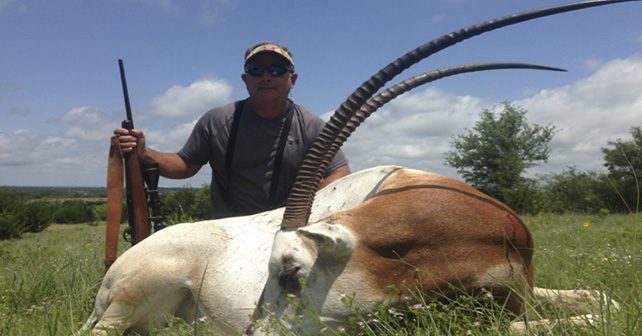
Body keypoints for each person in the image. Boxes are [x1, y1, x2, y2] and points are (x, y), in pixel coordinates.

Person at [115, 42, 350, 218]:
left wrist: (305, 208)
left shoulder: (312, 125)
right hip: (226, 232)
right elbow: (185, 165)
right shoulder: (217, 120)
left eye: (277, 69)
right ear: (245, 79)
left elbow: (339, 173)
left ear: (293, 79)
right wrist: (144, 153)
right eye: (256, 69)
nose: (266, 77)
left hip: (286, 229)